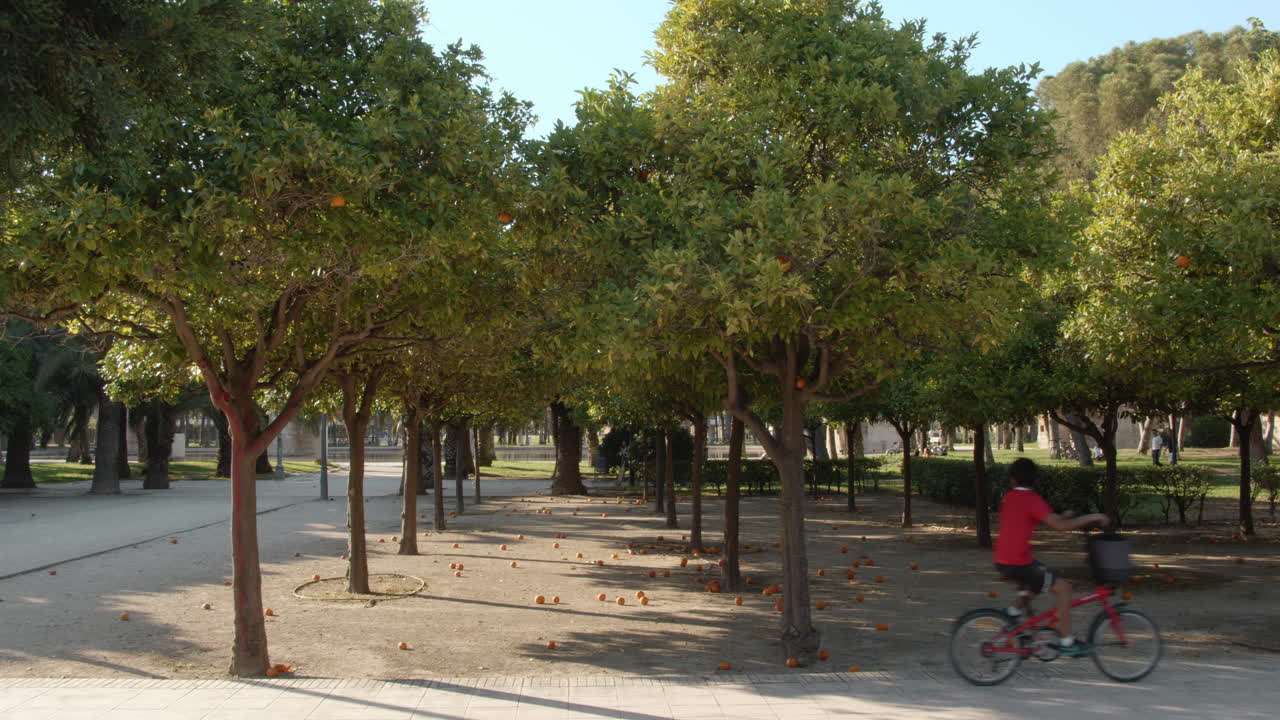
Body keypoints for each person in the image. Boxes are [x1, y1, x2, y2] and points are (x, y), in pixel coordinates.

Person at [994, 458, 1110, 656]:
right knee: (1064, 589)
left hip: (1004, 559)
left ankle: (1012, 615)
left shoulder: (1010, 496)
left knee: (1037, 582)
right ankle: (1066, 642)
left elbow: (1043, 519)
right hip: (1019, 561)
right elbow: (1059, 526)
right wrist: (1093, 517)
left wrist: (1063, 516)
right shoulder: (1032, 499)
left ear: (1013, 480)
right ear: (1035, 481)